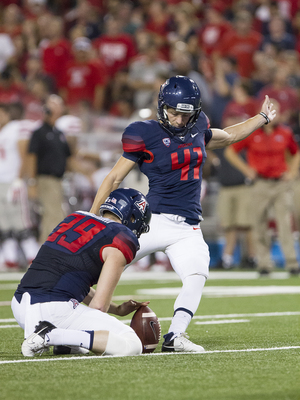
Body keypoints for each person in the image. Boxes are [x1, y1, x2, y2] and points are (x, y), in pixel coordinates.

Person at [90, 75, 276, 352]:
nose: (178, 119)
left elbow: (229, 135)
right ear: (162, 106)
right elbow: (115, 177)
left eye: (184, 114)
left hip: (188, 225)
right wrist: (92, 217)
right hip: (152, 222)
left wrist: (262, 117)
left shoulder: (199, 125)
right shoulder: (144, 133)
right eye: (173, 112)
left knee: (197, 273)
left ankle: (175, 335)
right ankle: (76, 327)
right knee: (93, 267)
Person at [11, 188, 151, 357]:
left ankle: (65, 342)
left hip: (21, 306)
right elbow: (98, 306)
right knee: (131, 344)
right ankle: (50, 335)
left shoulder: (76, 217)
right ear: (133, 218)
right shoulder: (121, 237)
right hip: (53, 311)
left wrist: (118, 309)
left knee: (84, 341)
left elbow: (70, 277)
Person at [224, 100, 300, 276]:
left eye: (277, 111)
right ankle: (264, 263)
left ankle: (292, 263)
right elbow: (230, 151)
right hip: (260, 183)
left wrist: (292, 172)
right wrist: (246, 170)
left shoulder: (285, 132)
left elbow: (296, 153)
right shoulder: (252, 133)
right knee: (259, 224)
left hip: (280, 183)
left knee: (285, 224)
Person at [27, 94, 71, 244]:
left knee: (53, 214)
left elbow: (68, 157)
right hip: (46, 178)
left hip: (58, 179)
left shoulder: (59, 133)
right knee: (54, 214)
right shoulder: (39, 132)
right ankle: (53, 248)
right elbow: (31, 157)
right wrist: (32, 182)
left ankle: (44, 248)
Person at [0, 103, 39, 270]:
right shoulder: (3, 131)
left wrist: (22, 178)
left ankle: (34, 257)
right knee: (5, 223)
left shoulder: (16, 128)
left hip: (14, 181)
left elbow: (26, 155)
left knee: (21, 222)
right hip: (2, 181)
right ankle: (10, 259)